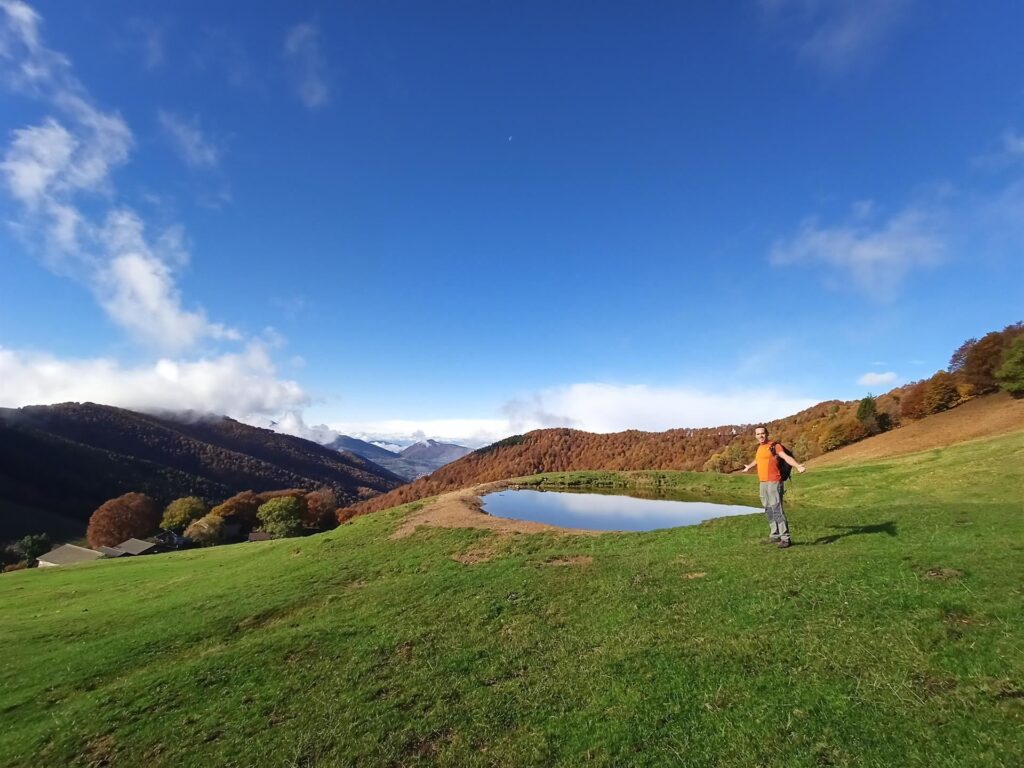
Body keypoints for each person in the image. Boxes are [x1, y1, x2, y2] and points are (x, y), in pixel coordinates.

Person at [740, 426, 806, 549]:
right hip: (763, 483)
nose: (760, 436)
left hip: (774, 482)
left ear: (767, 434)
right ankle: (775, 535)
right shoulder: (760, 448)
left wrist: (797, 466)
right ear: (755, 436)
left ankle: (785, 538)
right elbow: (758, 460)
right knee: (768, 509)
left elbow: (786, 457)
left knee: (777, 509)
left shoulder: (775, 446)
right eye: (758, 434)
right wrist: (749, 466)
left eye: (762, 433)